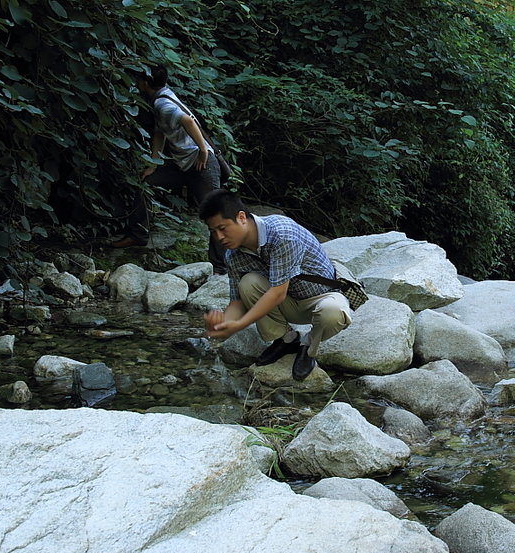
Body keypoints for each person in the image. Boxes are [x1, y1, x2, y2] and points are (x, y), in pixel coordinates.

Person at [199, 190, 352, 380]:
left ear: (241, 218)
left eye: (223, 228)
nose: (219, 237)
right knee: (248, 284)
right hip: (288, 301)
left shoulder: (282, 233)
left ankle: (308, 346)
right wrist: (223, 325)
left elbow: (278, 293)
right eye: (214, 232)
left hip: (320, 297)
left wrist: (239, 325)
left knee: (334, 312)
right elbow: (237, 303)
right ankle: (287, 339)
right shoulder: (234, 255)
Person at [112, 65, 227, 274]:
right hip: (181, 164)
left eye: (138, 80)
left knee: (215, 213)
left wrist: (203, 150)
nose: (136, 84)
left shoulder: (163, 104)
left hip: (200, 164)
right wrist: (153, 163)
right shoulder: (161, 99)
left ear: (145, 83)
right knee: (145, 183)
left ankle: (220, 268)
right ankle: (138, 234)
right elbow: (160, 133)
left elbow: (187, 121)